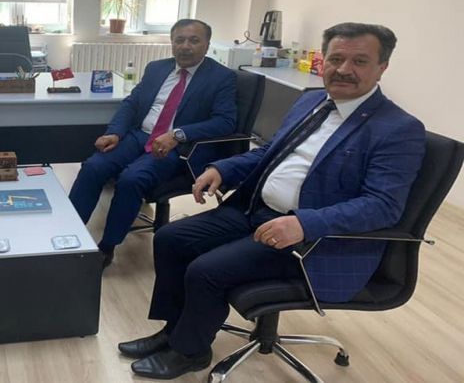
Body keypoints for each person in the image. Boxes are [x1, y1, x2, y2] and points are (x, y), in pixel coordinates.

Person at [118, 22, 425, 379]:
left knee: (206, 270)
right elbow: (268, 153)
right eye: (336, 58)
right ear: (323, 61)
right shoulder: (312, 101)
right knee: (171, 238)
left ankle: (190, 351)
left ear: (382, 67)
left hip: (313, 241)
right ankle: (174, 331)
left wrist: (304, 223)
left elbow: (382, 205)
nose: (343, 69)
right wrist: (222, 168)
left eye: (359, 61)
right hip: (256, 211)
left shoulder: (397, 129)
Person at [68, 19, 237, 268]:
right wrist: (115, 133)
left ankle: (107, 247)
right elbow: (132, 103)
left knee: (131, 179)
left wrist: (177, 134)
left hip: (179, 148)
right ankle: (68, 232)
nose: (185, 46)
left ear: (207, 44)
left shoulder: (221, 77)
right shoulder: (157, 68)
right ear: (172, 43)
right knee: (93, 167)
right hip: (139, 136)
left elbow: (225, 122)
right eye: (179, 40)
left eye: (194, 40)